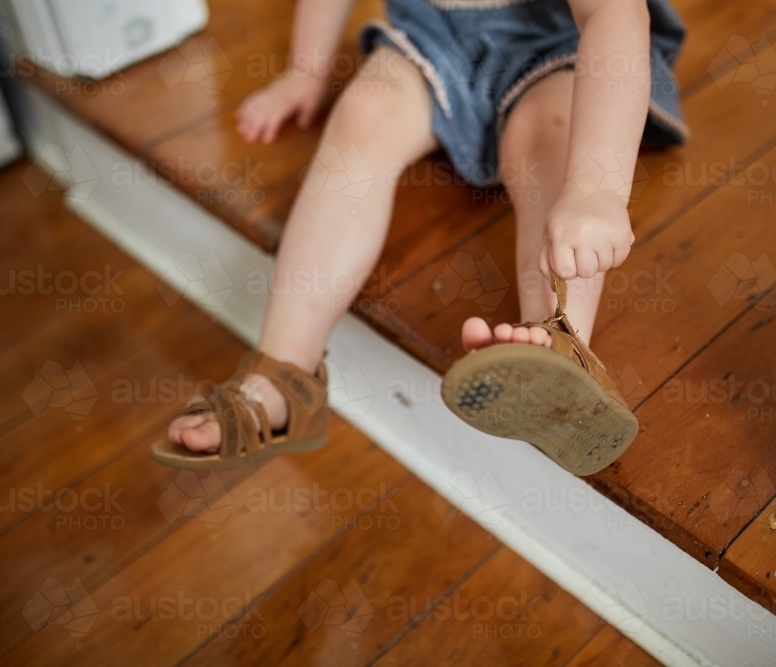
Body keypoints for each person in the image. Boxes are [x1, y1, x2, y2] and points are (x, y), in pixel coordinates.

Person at [150, 0, 687, 474]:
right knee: (364, 113)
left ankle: (561, 352)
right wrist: (306, 69)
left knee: (549, 140)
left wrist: (596, 188)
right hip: (432, 45)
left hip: (562, 52)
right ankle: (283, 373)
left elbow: (614, 15)